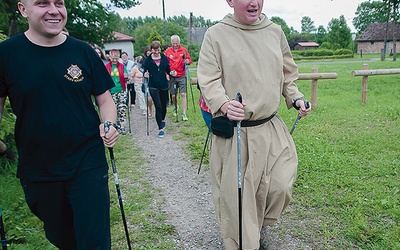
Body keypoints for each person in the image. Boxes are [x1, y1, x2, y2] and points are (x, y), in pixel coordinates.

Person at [0, 0, 119, 249]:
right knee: (62, 238)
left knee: (94, 242)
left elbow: (105, 99)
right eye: (43, 3)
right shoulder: (6, 54)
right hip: (38, 167)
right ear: (23, 9)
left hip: (87, 161)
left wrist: (109, 124)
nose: (54, 10)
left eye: (59, 3)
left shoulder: (82, 51)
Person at [197, 0, 311, 249]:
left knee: (280, 185)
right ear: (229, 0)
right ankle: (245, 241)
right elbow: (208, 78)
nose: (254, 2)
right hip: (237, 133)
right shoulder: (215, 35)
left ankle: (257, 225)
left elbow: (288, 74)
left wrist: (296, 97)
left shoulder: (274, 31)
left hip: (271, 129)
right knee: (238, 202)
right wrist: (224, 104)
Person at [143, 41, 176, 138]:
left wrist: (172, 73)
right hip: (153, 85)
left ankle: (162, 119)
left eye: (158, 50)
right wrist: (145, 74)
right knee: (158, 106)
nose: (156, 52)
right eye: (154, 50)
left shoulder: (164, 58)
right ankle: (160, 128)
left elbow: (168, 70)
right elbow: (145, 70)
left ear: (160, 49)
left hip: (163, 85)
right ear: (151, 50)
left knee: (163, 105)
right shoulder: (148, 60)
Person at [165, 35, 192, 121]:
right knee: (173, 95)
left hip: (181, 75)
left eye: (176, 43)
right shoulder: (168, 51)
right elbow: (165, 64)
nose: (175, 45)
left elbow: (189, 60)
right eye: (173, 43)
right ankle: (176, 107)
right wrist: (167, 74)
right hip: (172, 75)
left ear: (179, 42)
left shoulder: (184, 50)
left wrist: (187, 61)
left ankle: (184, 113)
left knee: (183, 94)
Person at [106, 49, 129, 135]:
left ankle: (122, 126)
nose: (114, 60)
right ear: (110, 58)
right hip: (111, 91)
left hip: (121, 89)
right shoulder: (107, 67)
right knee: (113, 108)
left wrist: (126, 77)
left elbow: (127, 78)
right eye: (113, 58)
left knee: (122, 107)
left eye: (116, 58)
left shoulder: (122, 66)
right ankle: (114, 125)